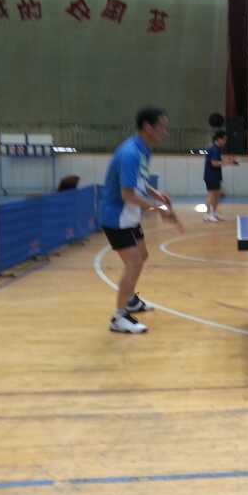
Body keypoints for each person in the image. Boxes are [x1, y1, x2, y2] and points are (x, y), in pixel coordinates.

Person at [101, 107, 184, 334]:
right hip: (116, 217)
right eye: (162, 127)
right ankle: (119, 318)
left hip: (130, 215)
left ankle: (130, 300)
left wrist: (156, 194)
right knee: (134, 262)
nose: (165, 132)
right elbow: (127, 194)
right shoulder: (130, 153)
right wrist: (159, 209)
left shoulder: (144, 150)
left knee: (142, 255)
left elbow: (139, 181)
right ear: (148, 127)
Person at [203, 130, 238, 223]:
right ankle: (207, 215)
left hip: (216, 175)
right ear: (219, 139)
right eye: (224, 139)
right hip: (210, 175)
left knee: (217, 195)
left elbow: (218, 159)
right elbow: (214, 163)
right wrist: (228, 162)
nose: (225, 141)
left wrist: (229, 160)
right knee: (211, 195)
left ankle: (214, 213)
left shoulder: (217, 148)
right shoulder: (214, 148)